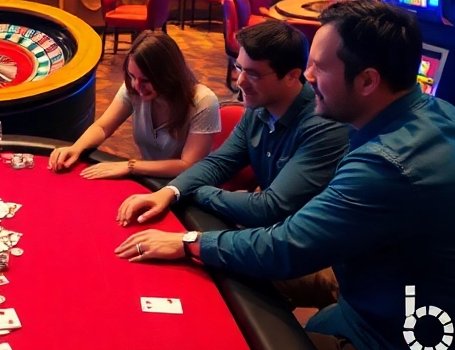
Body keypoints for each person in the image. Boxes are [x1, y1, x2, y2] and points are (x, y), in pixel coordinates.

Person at [117, 0, 455, 350]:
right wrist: (182, 204)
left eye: (319, 68)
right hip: (388, 305)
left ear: (367, 81)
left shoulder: (390, 162)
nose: (306, 77)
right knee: (231, 289)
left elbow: (285, 247)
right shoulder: (433, 112)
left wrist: (188, 242)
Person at [116, 20, 348, 229]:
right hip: (273, 232)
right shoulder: (257, 108)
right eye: (239, 68)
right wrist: (170, 191)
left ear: (291, 76)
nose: (240, 82)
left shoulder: (324, 127)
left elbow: (268, 208)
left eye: (253, 74)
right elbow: (219, 163)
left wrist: (192, 192)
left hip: (310, 249)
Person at [48, 31, 219, 179]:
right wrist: (76, 147)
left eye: (145, 79)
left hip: (189, 187)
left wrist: (130, 166)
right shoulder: (135, 89)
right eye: (131, 75)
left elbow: (188, 165)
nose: (136, 85)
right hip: (150, 176)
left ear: (168, 75)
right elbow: (103, 127)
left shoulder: (203, 102)